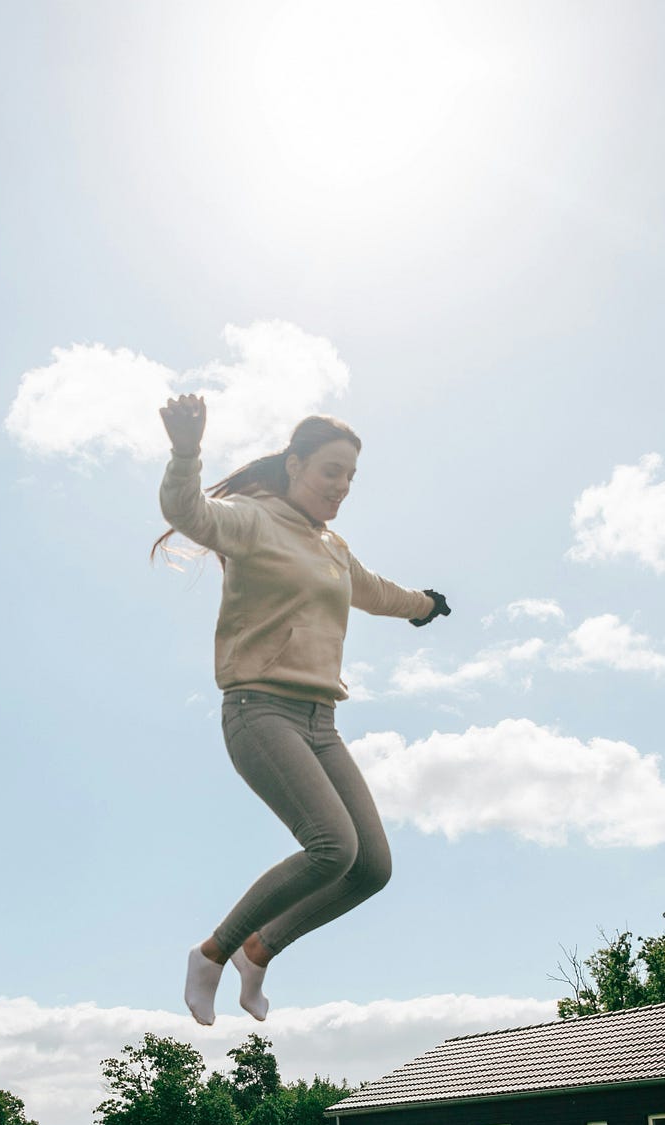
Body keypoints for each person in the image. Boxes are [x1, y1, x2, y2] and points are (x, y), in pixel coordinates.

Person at [156, 392, 450, 1026]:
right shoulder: (253, 520)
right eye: (330, 471)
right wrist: (185, 452)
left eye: (350, 477)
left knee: (371, 867)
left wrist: (423, 605)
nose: (341, 486)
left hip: (321, 722)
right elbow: (188, 512)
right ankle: (212, 953)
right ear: (294, 465)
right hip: (260, 711)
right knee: (331, 847)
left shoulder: (331, 547)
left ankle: (259, 950)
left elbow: (372, 590)